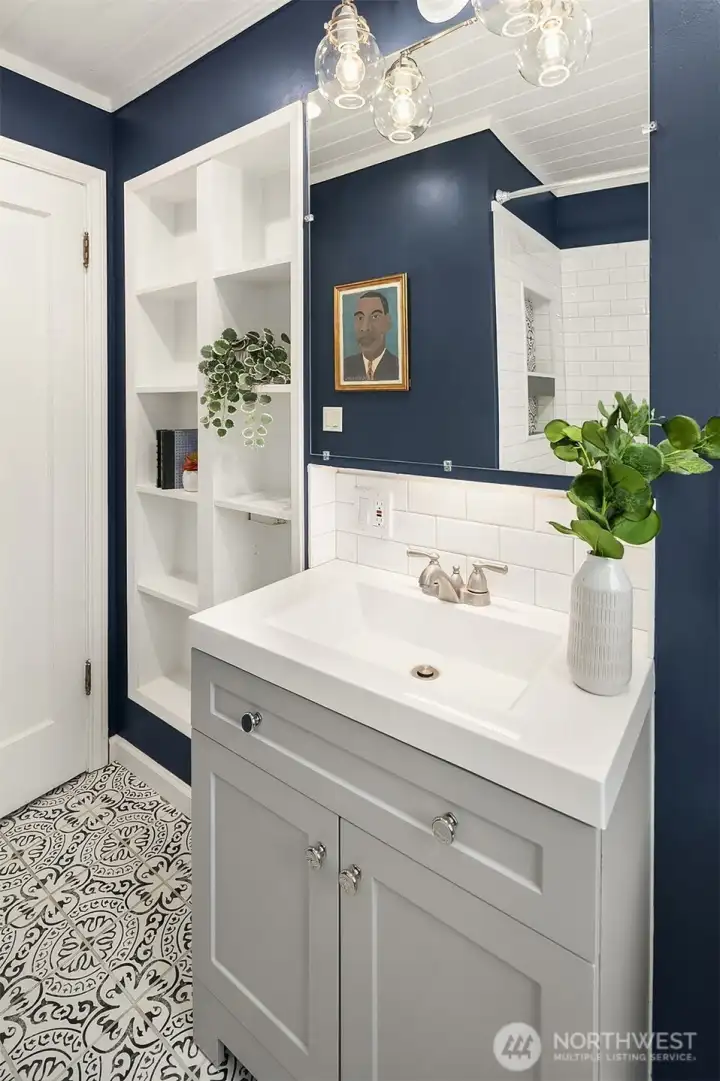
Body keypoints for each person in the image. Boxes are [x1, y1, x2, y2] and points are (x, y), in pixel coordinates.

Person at [343, 290, 400, 382]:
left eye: (375, 317)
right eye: (360, 318)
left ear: (388, 322)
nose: (365, 328)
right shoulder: (345, 367)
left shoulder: (399, 367)